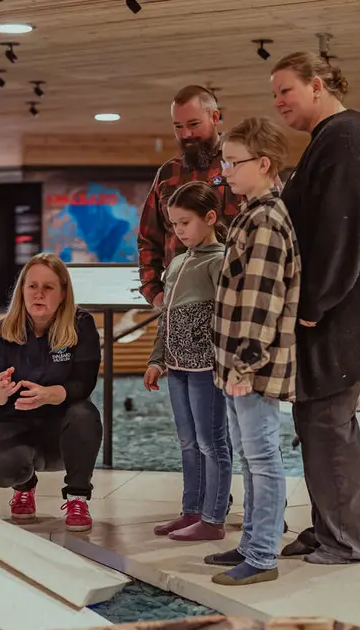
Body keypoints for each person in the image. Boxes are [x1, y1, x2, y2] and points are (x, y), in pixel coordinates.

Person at [270, 52, 360, 565]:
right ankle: (329, 525)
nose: (278, 102)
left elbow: (342, 233)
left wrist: (313, 302)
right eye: (275, 94)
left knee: (328, 422)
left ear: (317, 85)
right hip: (335, 309)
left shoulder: (346, 140)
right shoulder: (332, 139)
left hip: (340, 311)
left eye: (285, 90)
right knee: (316, 422)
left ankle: (347, 539)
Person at [205, 117, 301, 587]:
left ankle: (262, 554)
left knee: (262, 459)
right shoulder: (252, 212)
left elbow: (262, 300)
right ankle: (250, 543)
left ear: (263, 164)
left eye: (232, 162)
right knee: (249, 456)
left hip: (252, 367)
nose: (224, 172)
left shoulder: (265, 219)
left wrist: (244, 364)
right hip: (237, 365)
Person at [0, 253, 104, 532]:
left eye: (48, 287)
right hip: (15, 423)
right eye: (32, 286)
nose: (39, 294)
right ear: (21, 290)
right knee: (1, 467)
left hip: (62, 428)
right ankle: (24, 486)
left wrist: (49, 394)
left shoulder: (81, 325)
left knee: (85, 414)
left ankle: (77, 497)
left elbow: (84, 384)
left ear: (63, 293)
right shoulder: (0, 333)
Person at [143, 181, 231, 542]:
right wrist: (157, 360)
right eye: (174, 224)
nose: (178, 231)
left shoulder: (219, 261)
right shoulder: (178, 262)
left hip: (206, 369)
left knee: (212, 442)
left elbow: (228, 318)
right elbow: (165, 318)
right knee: (188, 442)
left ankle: (213, 518)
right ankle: (191, 511)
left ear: (209, 218)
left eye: (185, 222)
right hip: (177, 369)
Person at [137, 85, 242, 309]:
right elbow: (148, 238)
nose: (186, 134)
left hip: (232, 298)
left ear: (215, 117)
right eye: (178, 126)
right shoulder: (167, 174)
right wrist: (153, 292)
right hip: (177, 299)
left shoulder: (242, 163)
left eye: (194, 124)